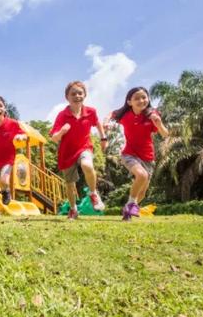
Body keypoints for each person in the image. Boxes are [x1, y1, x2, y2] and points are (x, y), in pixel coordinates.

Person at [105, 87, 169, 221]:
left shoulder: (152, 115)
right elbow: (111, 113)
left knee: (142, 193)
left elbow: (165, 134)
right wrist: (105, 122)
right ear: (129, 102)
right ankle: (132, 204)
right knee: (141, 175)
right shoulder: (125, 114)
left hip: (148, 158)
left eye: (144, 97)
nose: (141, 100)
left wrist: (159, 123)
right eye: (137, 98)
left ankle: (127, 210)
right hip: (129, 154)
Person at [50, 81, 107, 220]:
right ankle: (73, 210)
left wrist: (103, 138)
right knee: (70, 184)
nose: (77, 96)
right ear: (67, 97)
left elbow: (97, 123)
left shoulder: (91, 112)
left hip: (84, 147)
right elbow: (54, 137)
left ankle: (93, 194)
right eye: (73, 93)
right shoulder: (62, 115)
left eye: (80, 93)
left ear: (85, 95)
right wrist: (61, 132)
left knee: (87, 165)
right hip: (67, 152)